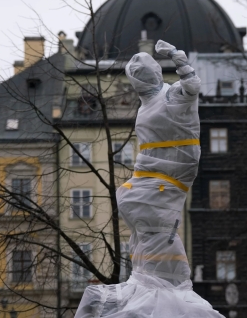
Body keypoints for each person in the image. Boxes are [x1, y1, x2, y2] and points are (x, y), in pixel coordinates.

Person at [75, 40, 223, 318]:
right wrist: (178, 57)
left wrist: (178, 58)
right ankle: (119, 306)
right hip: (156, 189)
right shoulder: (169, 97)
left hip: (143, 189)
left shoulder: (149, 105)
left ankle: (110, 304)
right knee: (166, 271)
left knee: (148, 267)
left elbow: (191, 89)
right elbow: (192, 86)